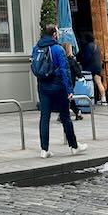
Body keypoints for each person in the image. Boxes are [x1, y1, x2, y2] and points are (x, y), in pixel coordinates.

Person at [32, 25, 88, 158]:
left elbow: (34, 66)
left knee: (44, 117)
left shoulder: (36, 48)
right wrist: (69, 89)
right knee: (65, 117)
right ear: (54, 35)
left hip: (43, 87)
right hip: (58, 87)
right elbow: (65, 70)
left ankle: (44, 150)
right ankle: (74, 146)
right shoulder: (58, 49)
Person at [80, 33, 107, 105]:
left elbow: (86, 58)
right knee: (99, 82)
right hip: (98, 67)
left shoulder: (88, 46)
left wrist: (82, 63)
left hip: (90, 67)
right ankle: (103, 98)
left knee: (89, 83)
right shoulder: (96, 46)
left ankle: (91, 98)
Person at [64, 43, 84, 121]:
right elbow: (77, 70)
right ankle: (76, 111)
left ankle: (69, 112)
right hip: (71, 81)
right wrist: (80, 77)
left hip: (65, 81)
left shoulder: (63, 60)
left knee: (67, 97)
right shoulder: (71, 60)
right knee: (69, 97)